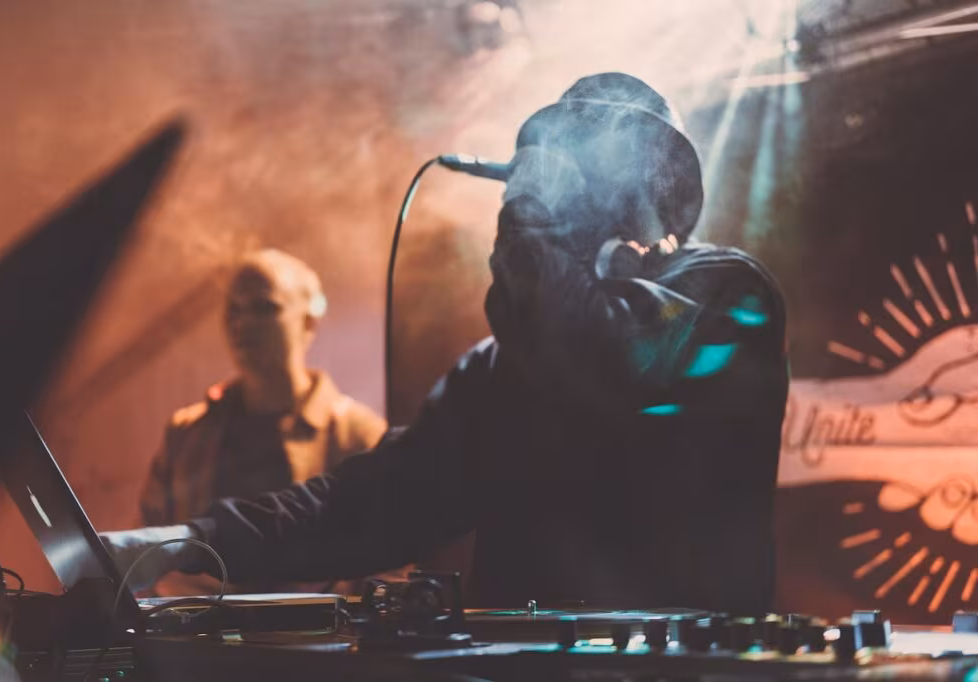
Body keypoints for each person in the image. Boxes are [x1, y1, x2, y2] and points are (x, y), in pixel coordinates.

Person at [105, 72, 789, 614]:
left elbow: (596, 360)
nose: (558, 179)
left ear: (654, 182)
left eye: (583, 158)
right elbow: (376, 503)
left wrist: (529, 219)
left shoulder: (726, 296)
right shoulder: (506, 367)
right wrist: (191, 542)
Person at [137, 248, 389, 595]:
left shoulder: (358, 435)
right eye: (234, 310)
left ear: (308, 321)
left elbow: (389, 565)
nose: (242, 323)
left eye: (264, 308)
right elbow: (147, 550)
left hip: (310, 641)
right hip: (195, 637)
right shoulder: (187, 432)